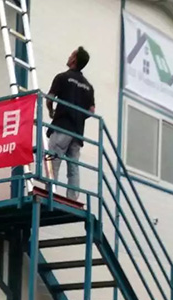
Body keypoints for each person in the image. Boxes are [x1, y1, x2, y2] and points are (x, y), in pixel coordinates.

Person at [45, 46, 96, 201]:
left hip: (62, 127)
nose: (69, 56)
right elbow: (91, 111)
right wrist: (79, 117)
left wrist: (51, 111)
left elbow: (50, 98)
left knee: (52, 160)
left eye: (71, 54)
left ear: (74, 59)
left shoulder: (62, 77)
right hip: (77, 132)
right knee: (73, 167)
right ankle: (73, 198)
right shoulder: (88, 87)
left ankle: (50, 193)